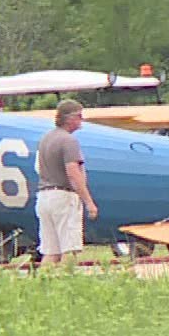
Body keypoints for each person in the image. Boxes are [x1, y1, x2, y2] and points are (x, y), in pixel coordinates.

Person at [34, 99, 97, 267]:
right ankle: (67, 283)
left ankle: (40, 286)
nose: (81, 120)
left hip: (44, 196)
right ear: (69, 118)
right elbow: (73, 173)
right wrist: (89, 202)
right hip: (63, 197)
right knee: (70, 249)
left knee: (51, 251)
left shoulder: (45, 139)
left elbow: (38, 168)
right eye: (79, 116)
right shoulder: (69, 141)